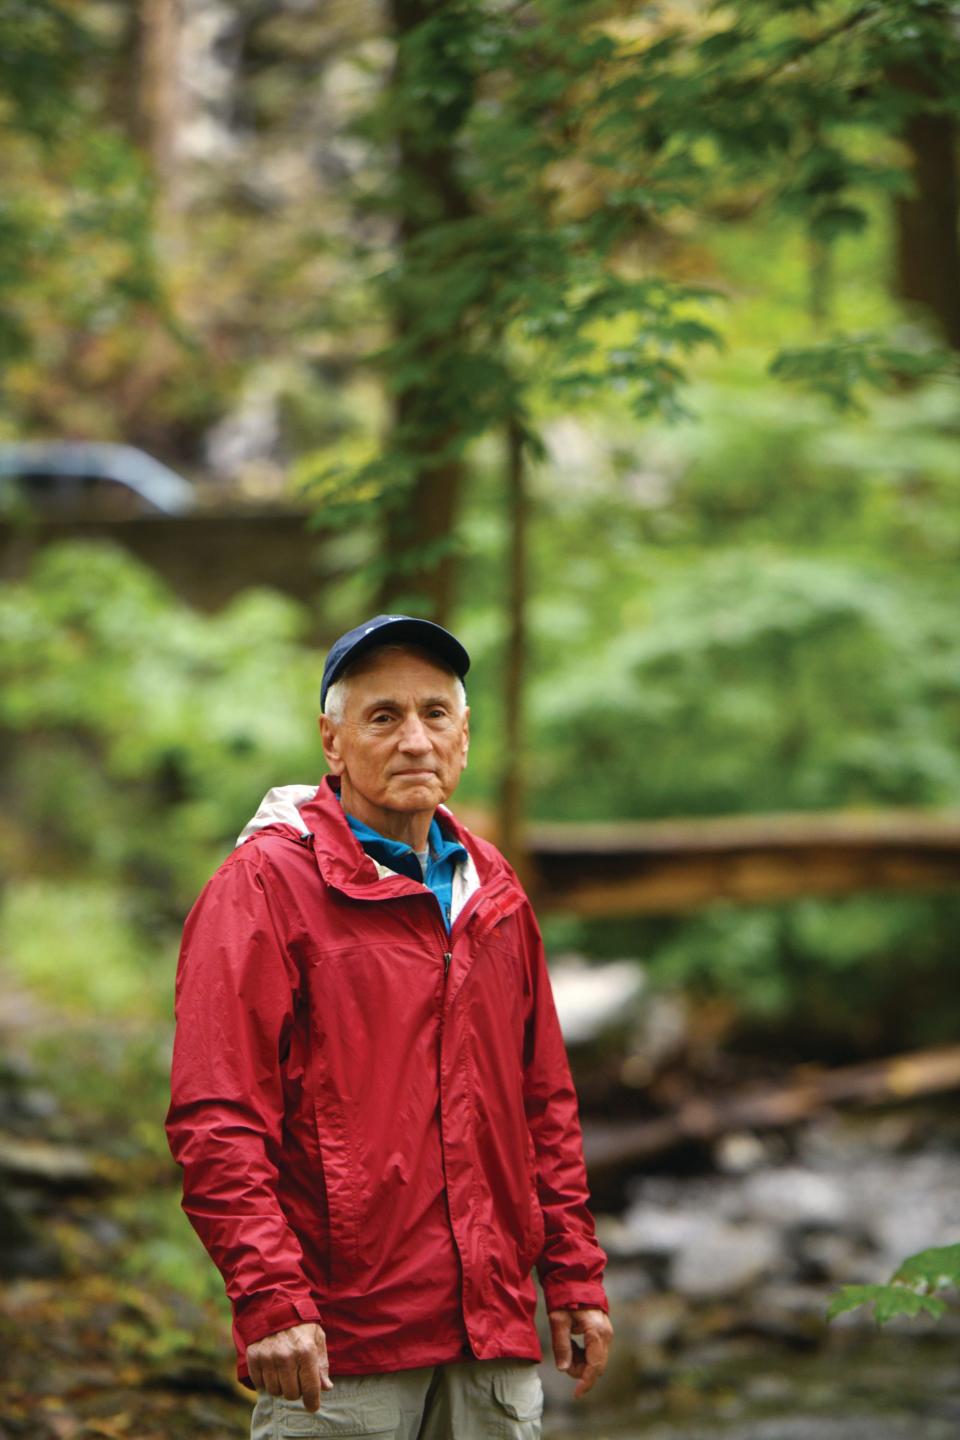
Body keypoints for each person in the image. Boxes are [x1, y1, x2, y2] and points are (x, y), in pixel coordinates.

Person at [166, 614, 612, 1439]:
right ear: (331, 743)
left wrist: (575, 1279)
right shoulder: (262, 887)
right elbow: (217, 1116)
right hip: (341, 1349)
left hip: (493, 1341)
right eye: (384, 717)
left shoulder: (495, 891)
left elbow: (543, 1104)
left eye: (435, 714)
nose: (415, 739)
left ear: (465, 735)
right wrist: (270, 1299)